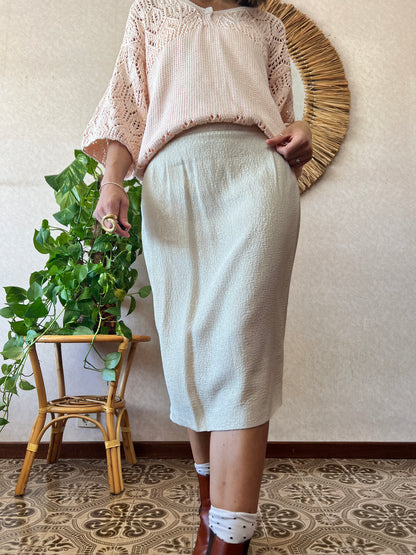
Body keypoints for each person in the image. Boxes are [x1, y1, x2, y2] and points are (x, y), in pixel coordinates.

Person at [82, 0, 312, 553]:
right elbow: (125, 108)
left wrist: (299, 134)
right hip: (171, 186)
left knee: (240, 351)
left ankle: (230, 541)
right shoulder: (152, 13)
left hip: (254, 179)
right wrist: (111, 182)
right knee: (189, 347)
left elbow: (283, 117)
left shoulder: (266, 25)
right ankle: (211, 509)